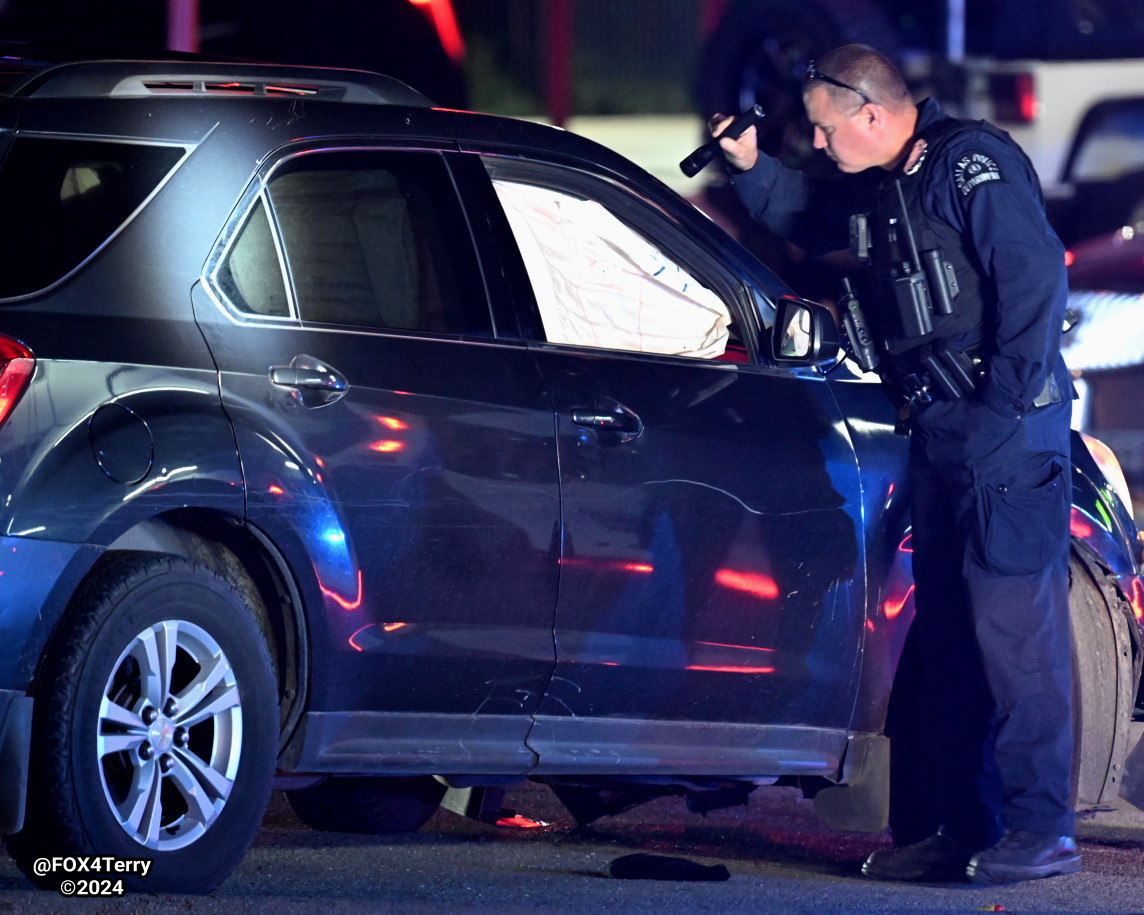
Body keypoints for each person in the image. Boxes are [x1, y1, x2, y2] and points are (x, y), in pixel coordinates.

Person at [713, 43, 1078, 885]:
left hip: (1003, 434)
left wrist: (1000, 415)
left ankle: (1042, 829)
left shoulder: (969, 164)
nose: (820, 144)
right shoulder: (885, 183)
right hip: (939, 431)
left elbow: (1034, 290)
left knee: (1016, 641)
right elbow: (807, 213)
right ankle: (962, 828)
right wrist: (748, 165)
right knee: (950, 644)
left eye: (823, 129)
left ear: (870, 114)